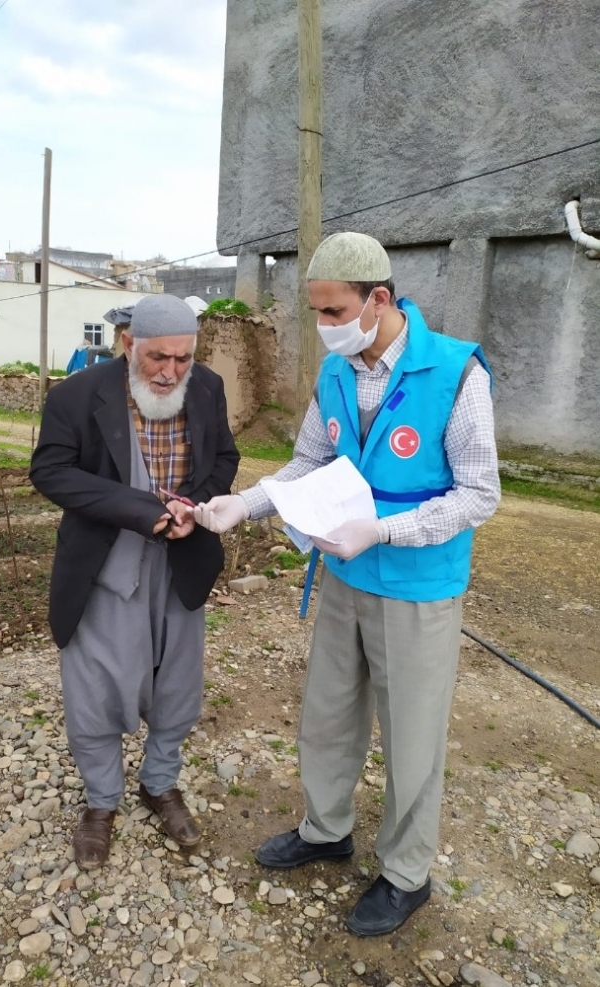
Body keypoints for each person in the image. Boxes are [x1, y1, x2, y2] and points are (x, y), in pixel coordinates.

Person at [193, 232, 500, 936]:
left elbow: (479, 494)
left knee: (413, 735)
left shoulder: (455, 372)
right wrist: (243, 503)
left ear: (379, 299)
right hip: (343, 576)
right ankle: (326, 827)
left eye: (334, 312)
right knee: (328, 713)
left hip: (418, 588)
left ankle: (404, 873)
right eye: (318, 313)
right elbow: (308, 461)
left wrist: (385, 530)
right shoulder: (335, 374)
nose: (324, 327)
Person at [30, 293, 239, 869]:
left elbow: (224, 456)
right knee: (95, 691)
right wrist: (140, 509)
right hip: (105, 566)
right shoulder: (75, 395)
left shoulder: (207, 387)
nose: (171, 371)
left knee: (177, 687)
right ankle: (101, 802)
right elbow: (49, 471)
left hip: (182, 559)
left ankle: (159, 782)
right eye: (158, 358)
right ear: (129, 346)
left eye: (183, 358)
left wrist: (191, 507)